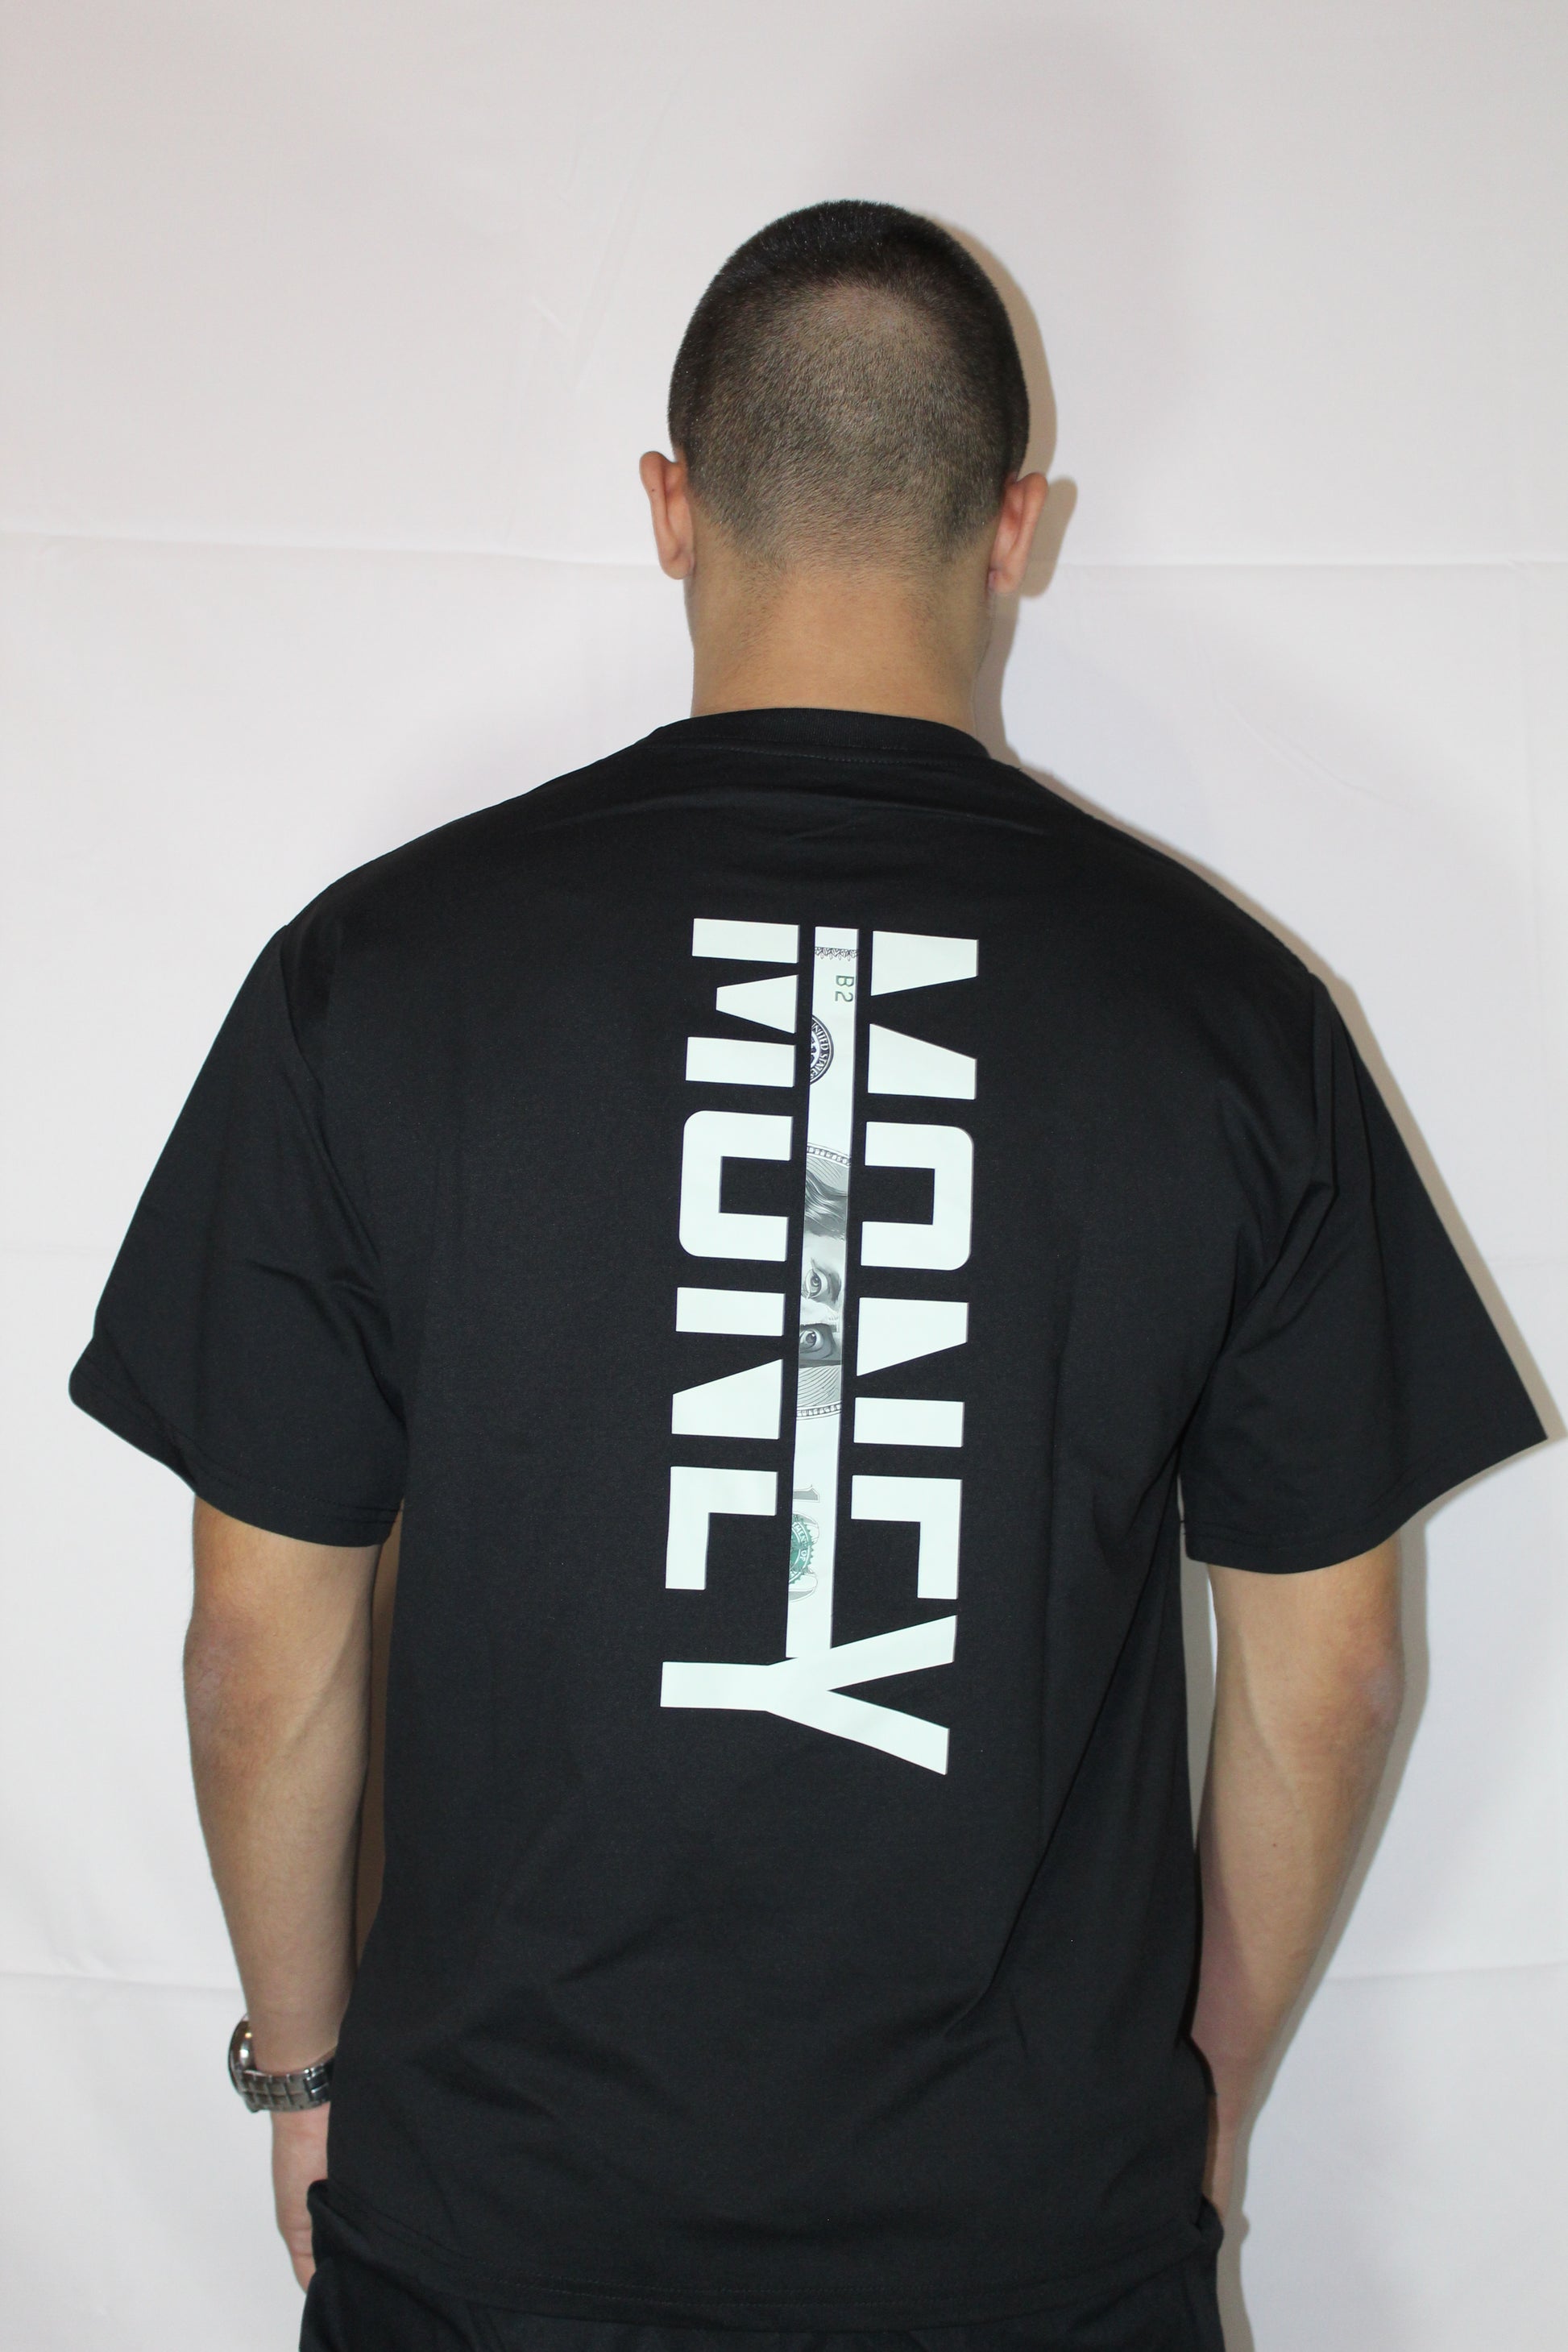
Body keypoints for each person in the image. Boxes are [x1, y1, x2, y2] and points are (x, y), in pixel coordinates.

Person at [70, 201, 1544, 2352]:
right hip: (1035, 2255)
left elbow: (256, 1654)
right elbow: (1331, 1680)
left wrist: (301, 2072)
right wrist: (1198, 2103)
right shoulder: (1232, 1022)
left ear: (670, 506)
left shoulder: (373, 982)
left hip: (497, 2239)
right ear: (1012, 526)